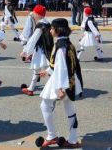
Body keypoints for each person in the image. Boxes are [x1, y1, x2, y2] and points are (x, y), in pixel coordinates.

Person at [35, 18, 83, 148]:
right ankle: (73, 139)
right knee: (70, 109)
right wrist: (48, 71)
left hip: (62, 82)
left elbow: (62, 67)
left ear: (57, 30)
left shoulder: (61, 46)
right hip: (71, 81)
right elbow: (61, 65)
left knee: (44, 105)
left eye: (51, 28)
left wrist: (61, 88)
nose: (50, 30)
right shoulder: (68, 44)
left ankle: (52, 136)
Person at [20, 5, 53, 96]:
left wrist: (26, 51)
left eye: (34, 13)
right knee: (38, 70)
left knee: (48, 71)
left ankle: (55, 90)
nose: (33, 14)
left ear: (38, 14)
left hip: (41, 51)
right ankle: (30, 88)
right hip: (47, 49)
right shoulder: (47, 23)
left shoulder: (40, 25)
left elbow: (33, 39)